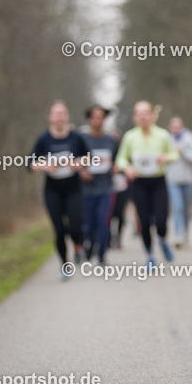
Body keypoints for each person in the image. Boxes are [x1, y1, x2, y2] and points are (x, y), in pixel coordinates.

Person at [29, 101, 90, 279]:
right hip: (53, 190)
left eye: (62, 114)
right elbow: (31, 164)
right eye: (56, 114)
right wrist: (45, 166)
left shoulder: (76, 138)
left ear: (67, 116)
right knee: (59, 230)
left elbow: (88, 158)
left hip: (73, 188)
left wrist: (77, 164)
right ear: (50, 117)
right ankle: (65, 265)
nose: (59, 117)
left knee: (75, 225)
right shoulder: (44, 139)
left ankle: (79, 245)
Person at [115, 101, 179, 268]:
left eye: (146, 113)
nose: (143, 116)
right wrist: (127, 167)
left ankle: (163, 240)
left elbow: (174, 154)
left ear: (152, 115)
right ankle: (150, 254)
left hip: (158, 181)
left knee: (161, 220)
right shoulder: (130, 137)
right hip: (139, 183)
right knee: (143, 221)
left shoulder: (163, 135)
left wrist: (166, 158)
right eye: (139, 113)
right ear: (135, 117)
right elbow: (121, 158)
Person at [79, 104, 118, 265]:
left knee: (103, 222)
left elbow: (117, 160)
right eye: (94, 117)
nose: (98, 120)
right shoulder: (82, 140)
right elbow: (74, 161)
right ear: (89, 120)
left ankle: (101, 255)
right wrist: (81, 172)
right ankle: (88, 245)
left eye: (101, 117)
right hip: (87, 189)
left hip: (105, 187)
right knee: (88, 224)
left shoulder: (111, 140)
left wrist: (115, 167)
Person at [166, 116, 192, 248]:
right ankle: (178, 235)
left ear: (182, 127)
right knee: (177, 207)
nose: (175, 129)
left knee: (186, 209)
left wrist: (184, 152)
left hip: (188, 180)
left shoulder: (189, 138)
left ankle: (185, 234)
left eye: (178, 126)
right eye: (173, 126)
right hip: (172, 180)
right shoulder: (167, 140)